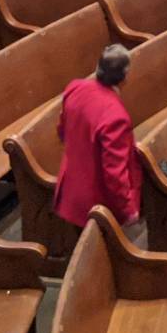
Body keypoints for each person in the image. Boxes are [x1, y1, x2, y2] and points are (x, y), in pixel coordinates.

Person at [58, 43, 141, 229]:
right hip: (94, 203)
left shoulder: (75, 88)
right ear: (124, 78)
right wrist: (128, 210)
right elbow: (114, 173)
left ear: (98, 67)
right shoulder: (116, 117)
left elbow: (62, 132)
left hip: (70, 189)